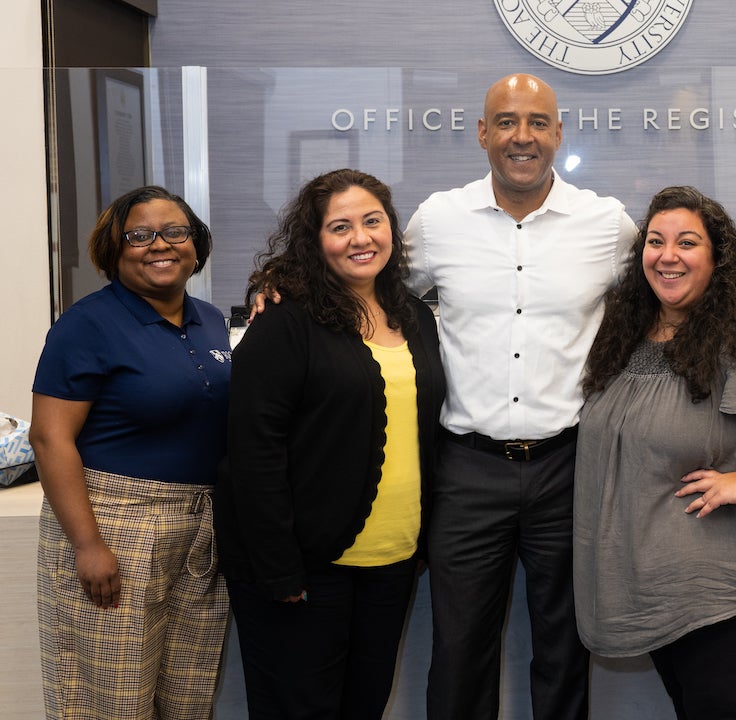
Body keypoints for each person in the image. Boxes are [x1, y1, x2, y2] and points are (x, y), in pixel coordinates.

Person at [404, 73, 638, 720]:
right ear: (483, 133)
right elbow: (366, 282)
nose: (522, 136)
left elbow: (671, 284)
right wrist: (279, 285)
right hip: (466, 468)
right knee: (458, 648)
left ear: (558, 134)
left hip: (569, 465)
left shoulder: (605, 224)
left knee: (565, 648)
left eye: (537, 122)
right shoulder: (440, 220)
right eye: (506, 122)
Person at [574, 185, 736, 719]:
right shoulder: (634, 332)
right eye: (655, 241)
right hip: (676, 597)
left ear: (718, 258)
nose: (667, 255)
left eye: (687, 243)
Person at [215, 168, 445, 719]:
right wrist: (278, 567)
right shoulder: (284, 323)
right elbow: (254, 451)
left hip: (393, 561)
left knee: (363, 706)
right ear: (315, 241)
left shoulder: (414, 317)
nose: (361, 238)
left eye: (373, 221)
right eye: (340, 227)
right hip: (305, 568)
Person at [29, 185, 230, 719]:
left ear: (195, 244)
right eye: (139, 235)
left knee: (185, 693)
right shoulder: (86, 324)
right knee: (112, 698)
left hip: (198, 531)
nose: (159, 245)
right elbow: (50, 438)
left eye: (175, 232)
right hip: (114, 523)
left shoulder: (209, 319)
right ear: (114, 249)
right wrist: (87, 544)